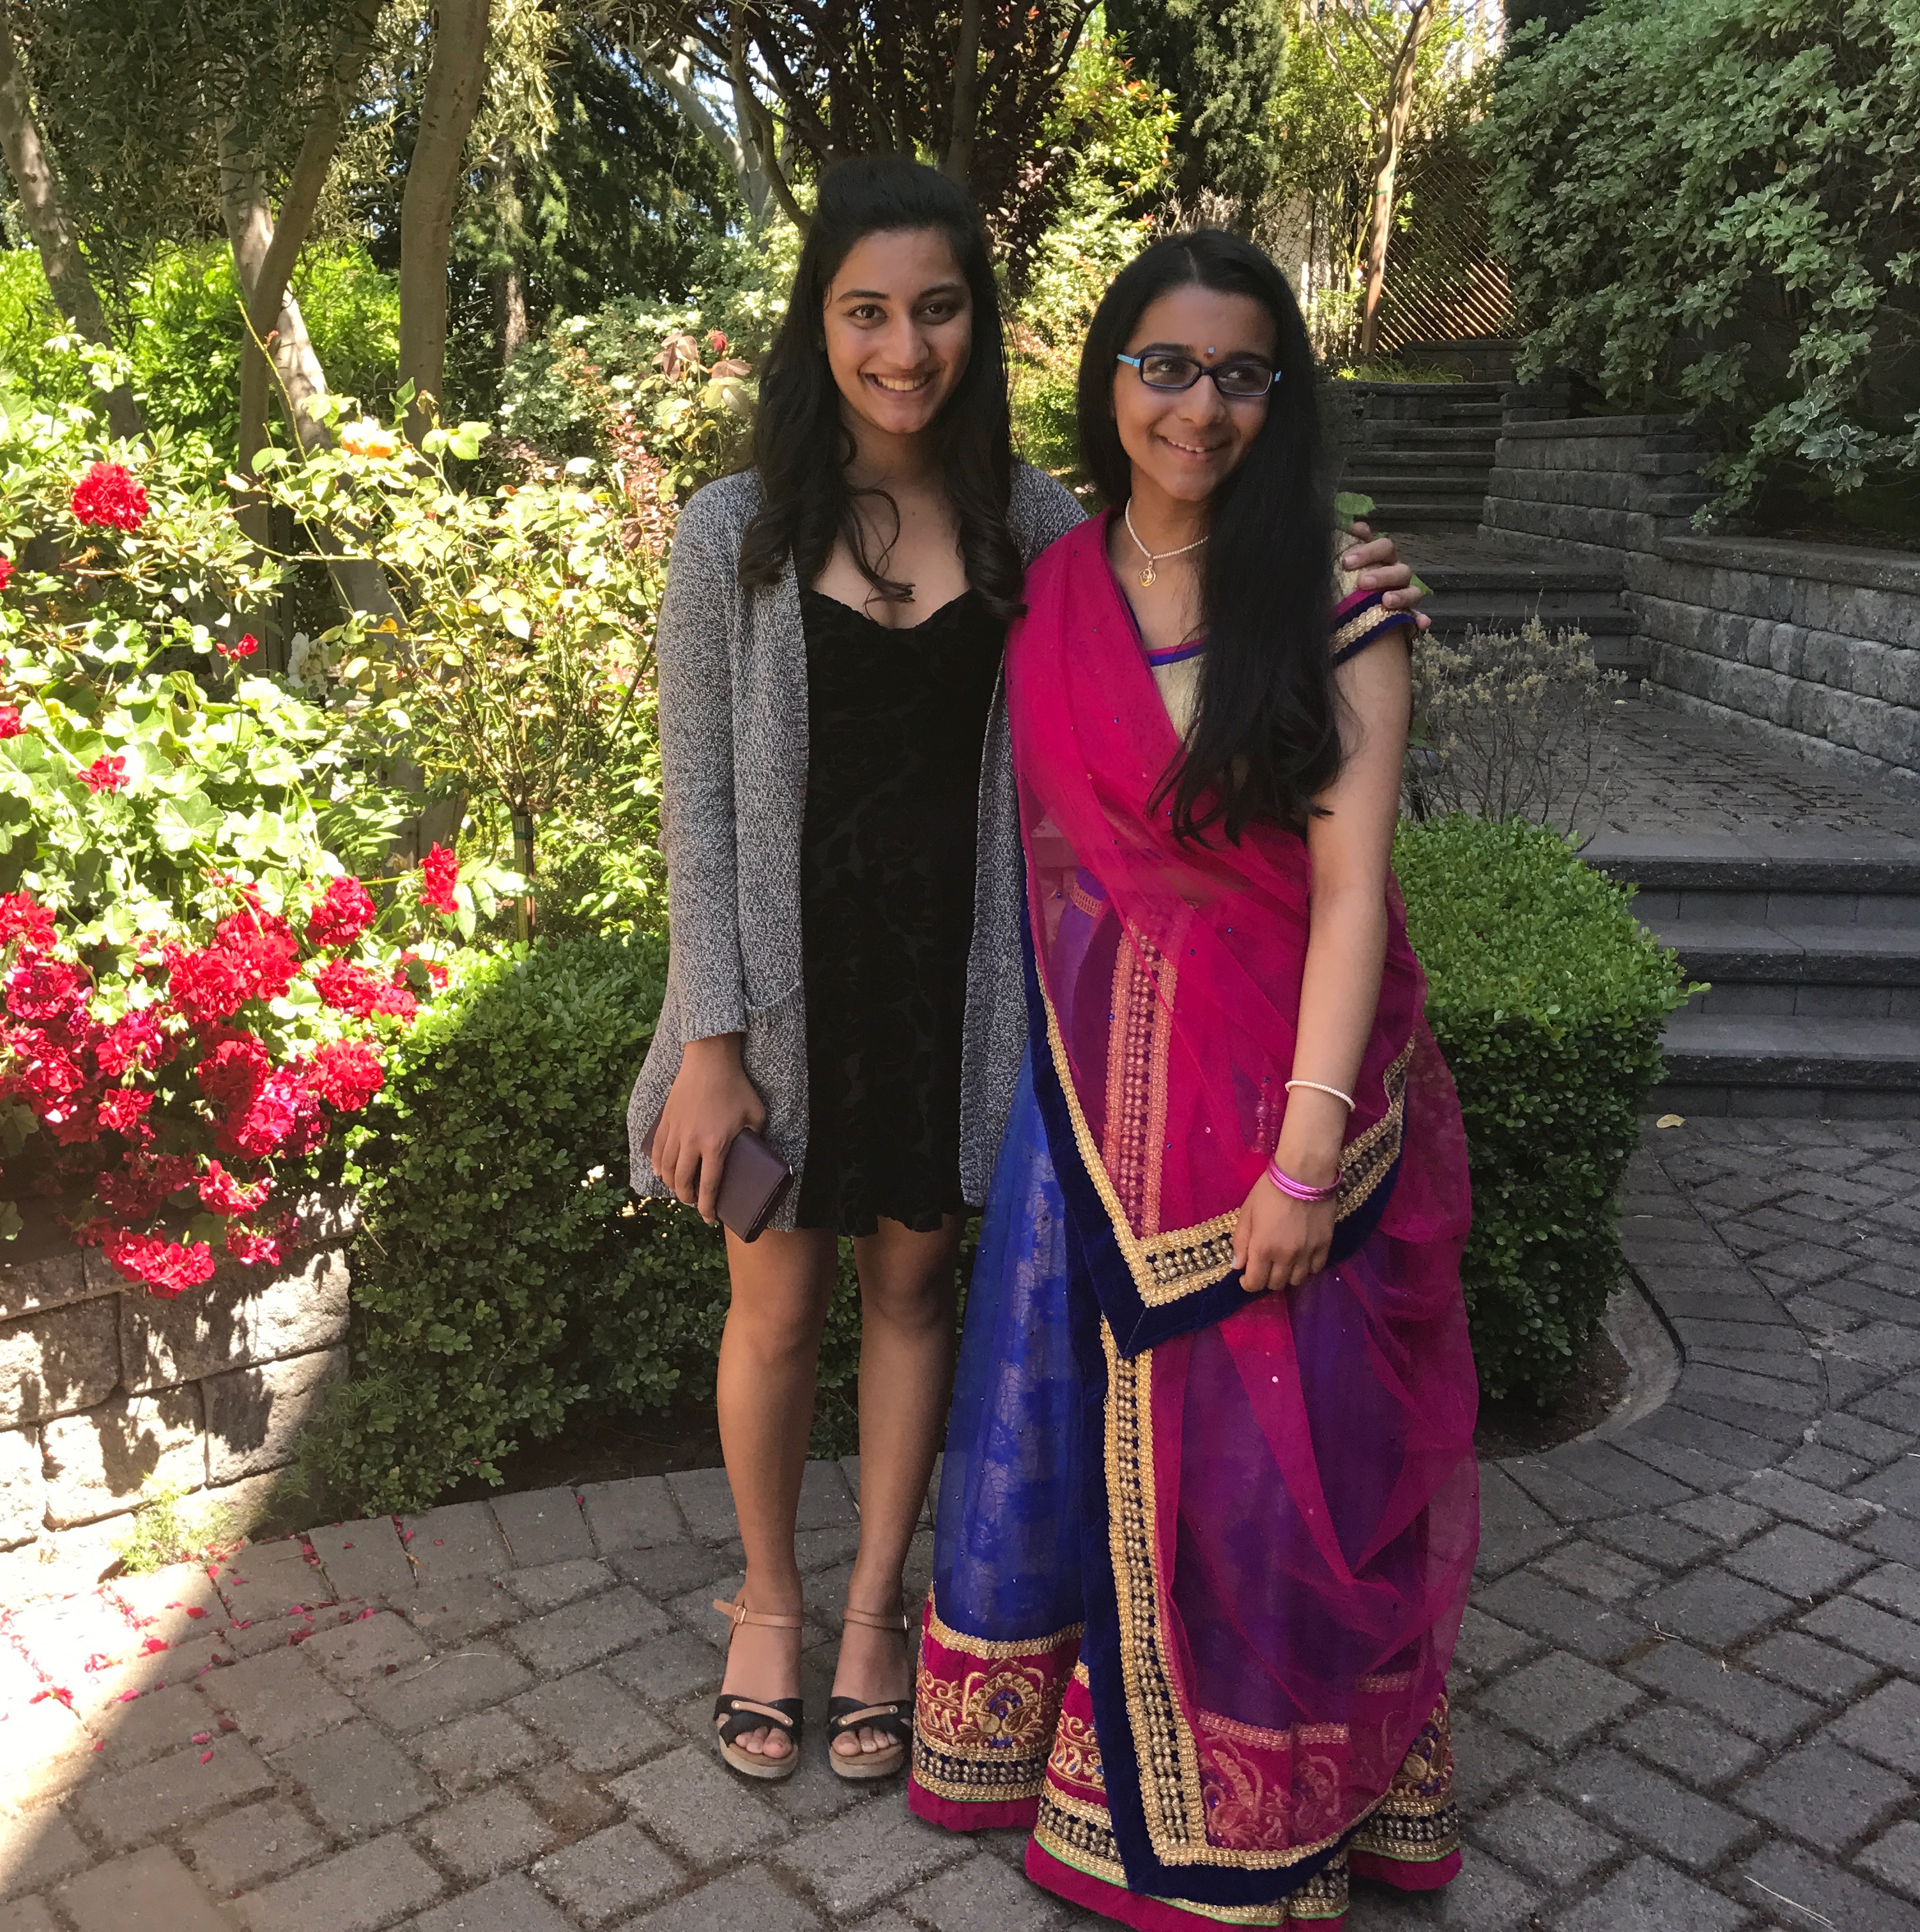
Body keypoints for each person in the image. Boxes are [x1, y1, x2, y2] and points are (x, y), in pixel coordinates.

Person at [627, 168, 1427, 1784]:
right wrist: (710, 1037)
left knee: (915, 1294)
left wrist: (1357, 575)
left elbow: (1193, 564)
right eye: (865, 311)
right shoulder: (736, 533)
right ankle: (768, 1605)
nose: (903, 348)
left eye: (936, 310)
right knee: (773, 1308)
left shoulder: (1034, 524)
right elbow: (694, 803)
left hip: (966, 992)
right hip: (782, 1004)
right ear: (818, 325)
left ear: (977, 326)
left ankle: (876, 1613)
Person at [909, 229, 1479, 1925]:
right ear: (1111, 377)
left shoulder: (1333, 596)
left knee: (1265, 1459)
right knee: (1078, 1423)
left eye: (1241, 374)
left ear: (1280, 395)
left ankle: (1256, 1801)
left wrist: (1303, 1158)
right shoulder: (1053, 581)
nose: (1199, 407)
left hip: (1274, 1099)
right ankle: (1061, 1752)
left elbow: (1354, 896)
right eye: (1165, 366)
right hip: (1089, 1106)